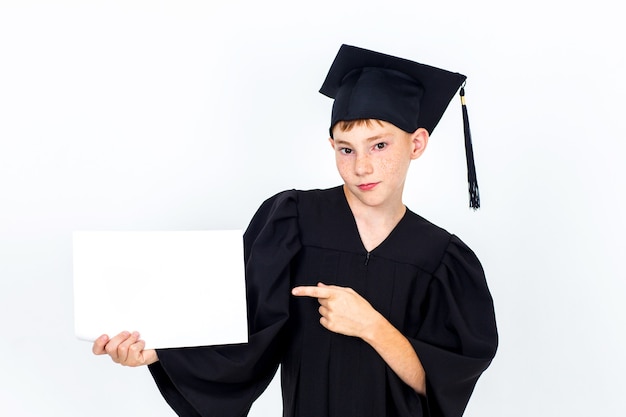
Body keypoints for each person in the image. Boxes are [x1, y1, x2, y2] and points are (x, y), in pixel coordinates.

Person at [93, 44, 498, 417]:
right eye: (346, 148)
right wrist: (160, 352)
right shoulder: (294, 221)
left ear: (417, 143)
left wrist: (371, 325)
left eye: (379, 145)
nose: (361, 167)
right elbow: (240, 330)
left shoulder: (443, 259)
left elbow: (442, 386)